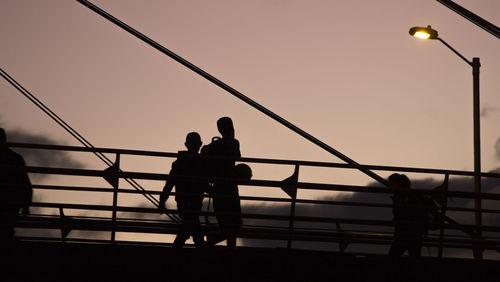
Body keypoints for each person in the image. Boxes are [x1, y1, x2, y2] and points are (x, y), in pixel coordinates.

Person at [159, 132, 209, 248]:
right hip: (194, 202)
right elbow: (204, 185)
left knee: (189, 226)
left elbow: (169, 183)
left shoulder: (178, 163)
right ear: (200, 144)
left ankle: (182, 247)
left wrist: (162, 200)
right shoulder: (201, 163)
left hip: (183, 202)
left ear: (186, 144)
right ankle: (196, 247)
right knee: (192, 226)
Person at [201, 117, 242, 248]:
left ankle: (210, 243)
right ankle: (212, 244)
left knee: (226, 226)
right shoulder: (234, 143)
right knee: (234, 227)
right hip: (231, 190)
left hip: (217, 190)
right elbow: (237, 157)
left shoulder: (213, 146)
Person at [388, 173, 438, 257]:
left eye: (392, 184)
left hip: (406, 234)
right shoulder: (409, 196)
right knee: (413, 257)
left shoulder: (404, 198)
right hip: (413, 234)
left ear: (399, 184)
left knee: (393, 256)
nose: (390, 186)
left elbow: (407, 214)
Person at [0, 128, 32, 248]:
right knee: (7, 227)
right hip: (11, 199)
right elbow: (25, 183)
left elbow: (24, 183)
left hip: (10, 199)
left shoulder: (15, 158)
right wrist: (26, 204)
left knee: (6, 227)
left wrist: (26, 204)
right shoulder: (15, 158)